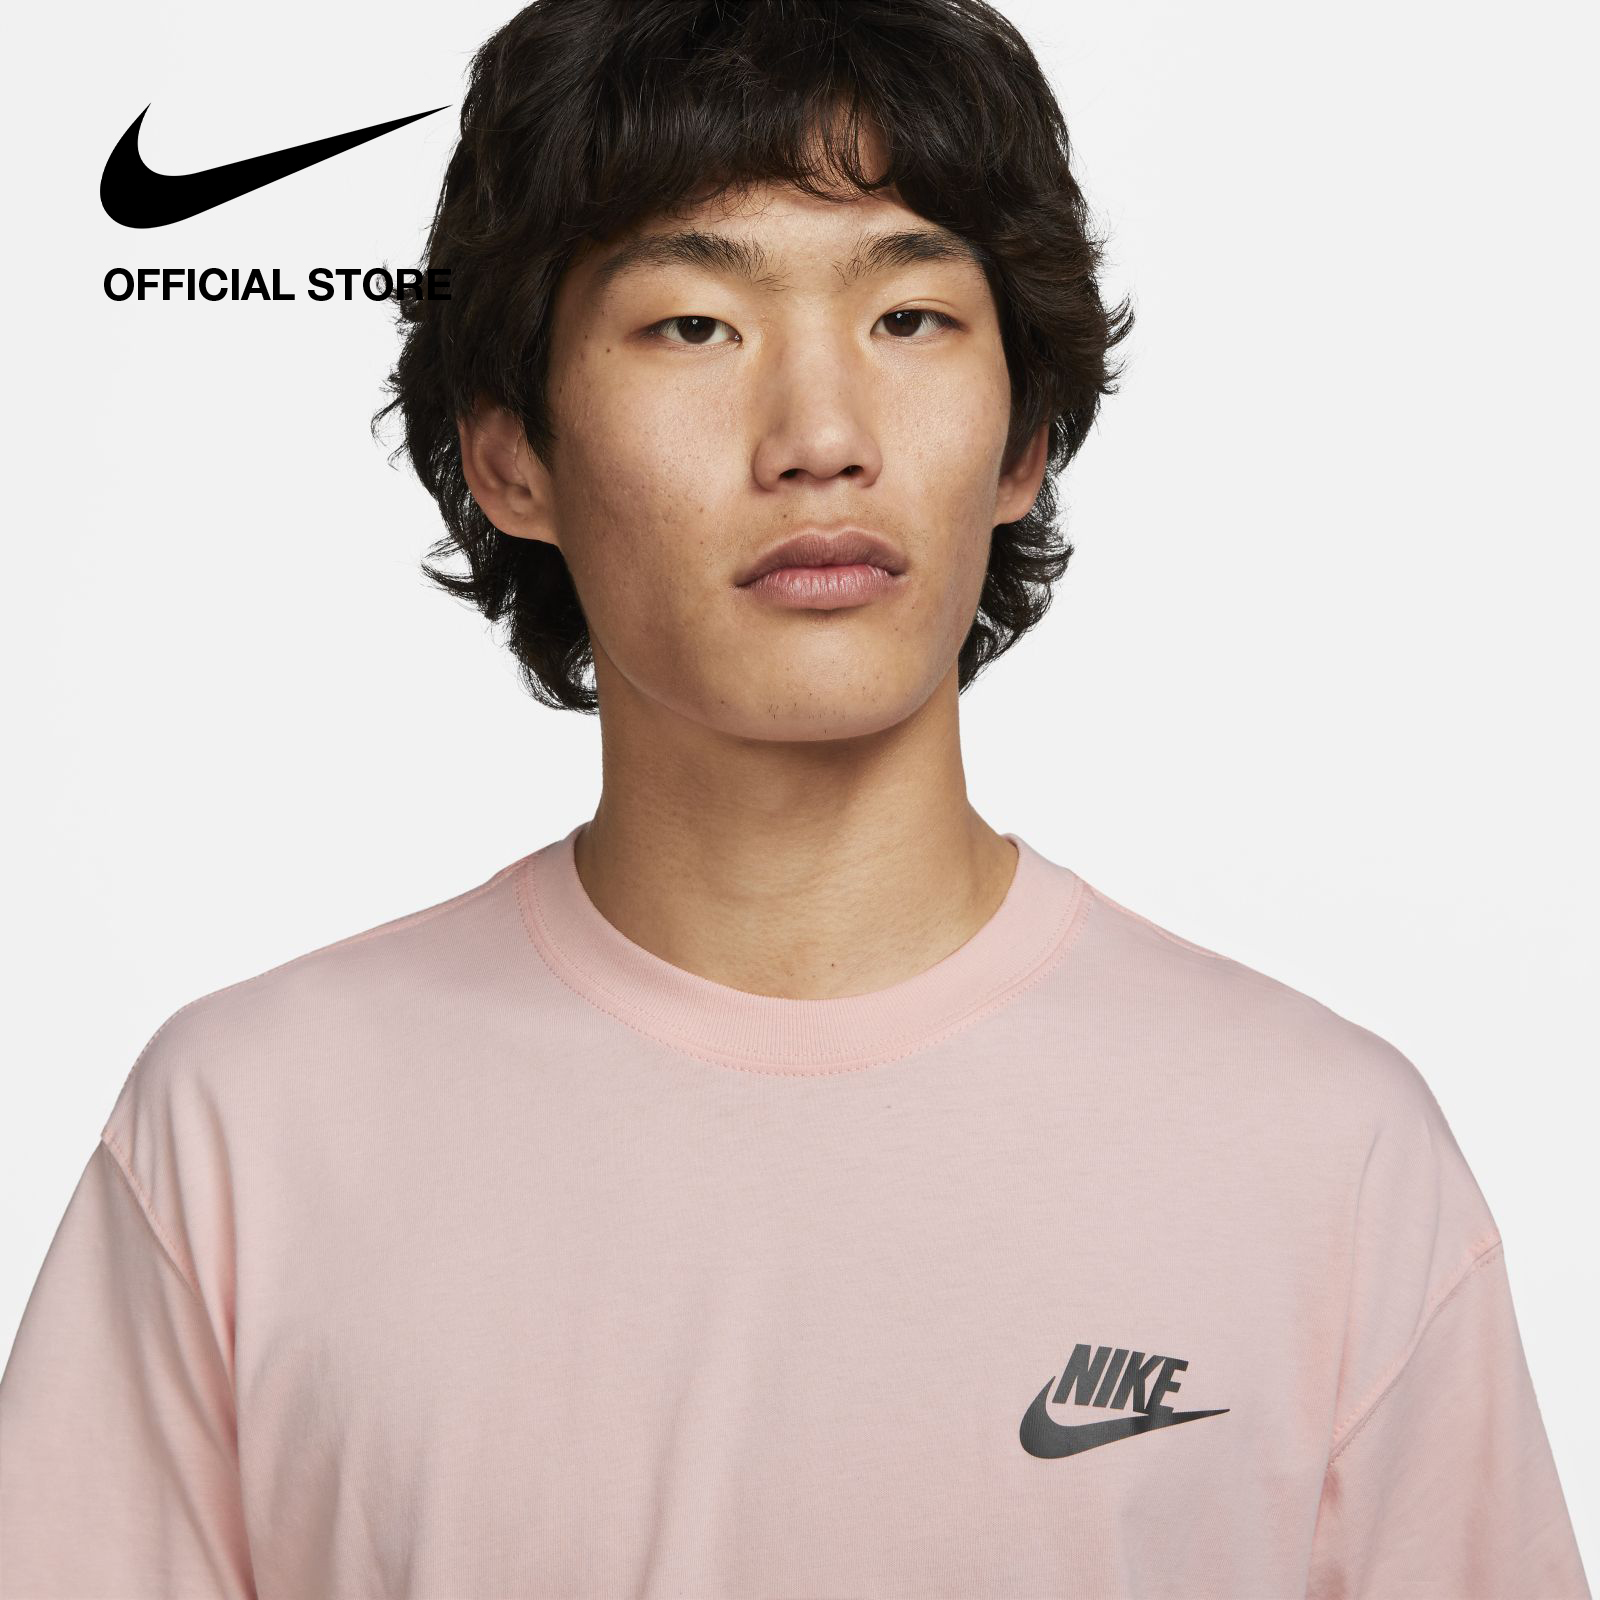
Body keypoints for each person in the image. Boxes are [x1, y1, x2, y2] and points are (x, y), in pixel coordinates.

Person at [1, 0, 1589, 1594]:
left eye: (910, 316)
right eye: (695, 326)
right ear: (509, 458)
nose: (820, 438)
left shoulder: (1322, 1156)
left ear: (1023, 440)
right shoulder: (248, 1138)